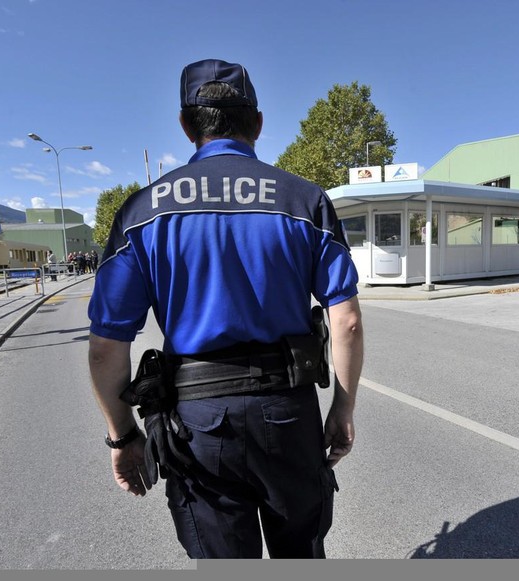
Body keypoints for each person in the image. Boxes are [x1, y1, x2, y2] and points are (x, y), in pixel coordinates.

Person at [87, 58, 363, 559]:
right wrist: (341, 410)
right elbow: (345, 320)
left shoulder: (141, 212)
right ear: (257, 123)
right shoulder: (306, 200)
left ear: (186, 125)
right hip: (288, 413)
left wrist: (122, 437)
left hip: (197, 423)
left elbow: (107, 348)